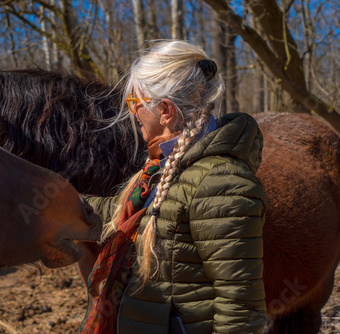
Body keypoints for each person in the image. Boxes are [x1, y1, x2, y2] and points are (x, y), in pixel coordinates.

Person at [80, 40, 268, 334]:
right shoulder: (164, 166)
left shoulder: (221, 184)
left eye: (135, 103)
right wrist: (61, 199)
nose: (132, 113)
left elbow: (241, 309)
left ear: (165, 110)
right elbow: (127, 213)